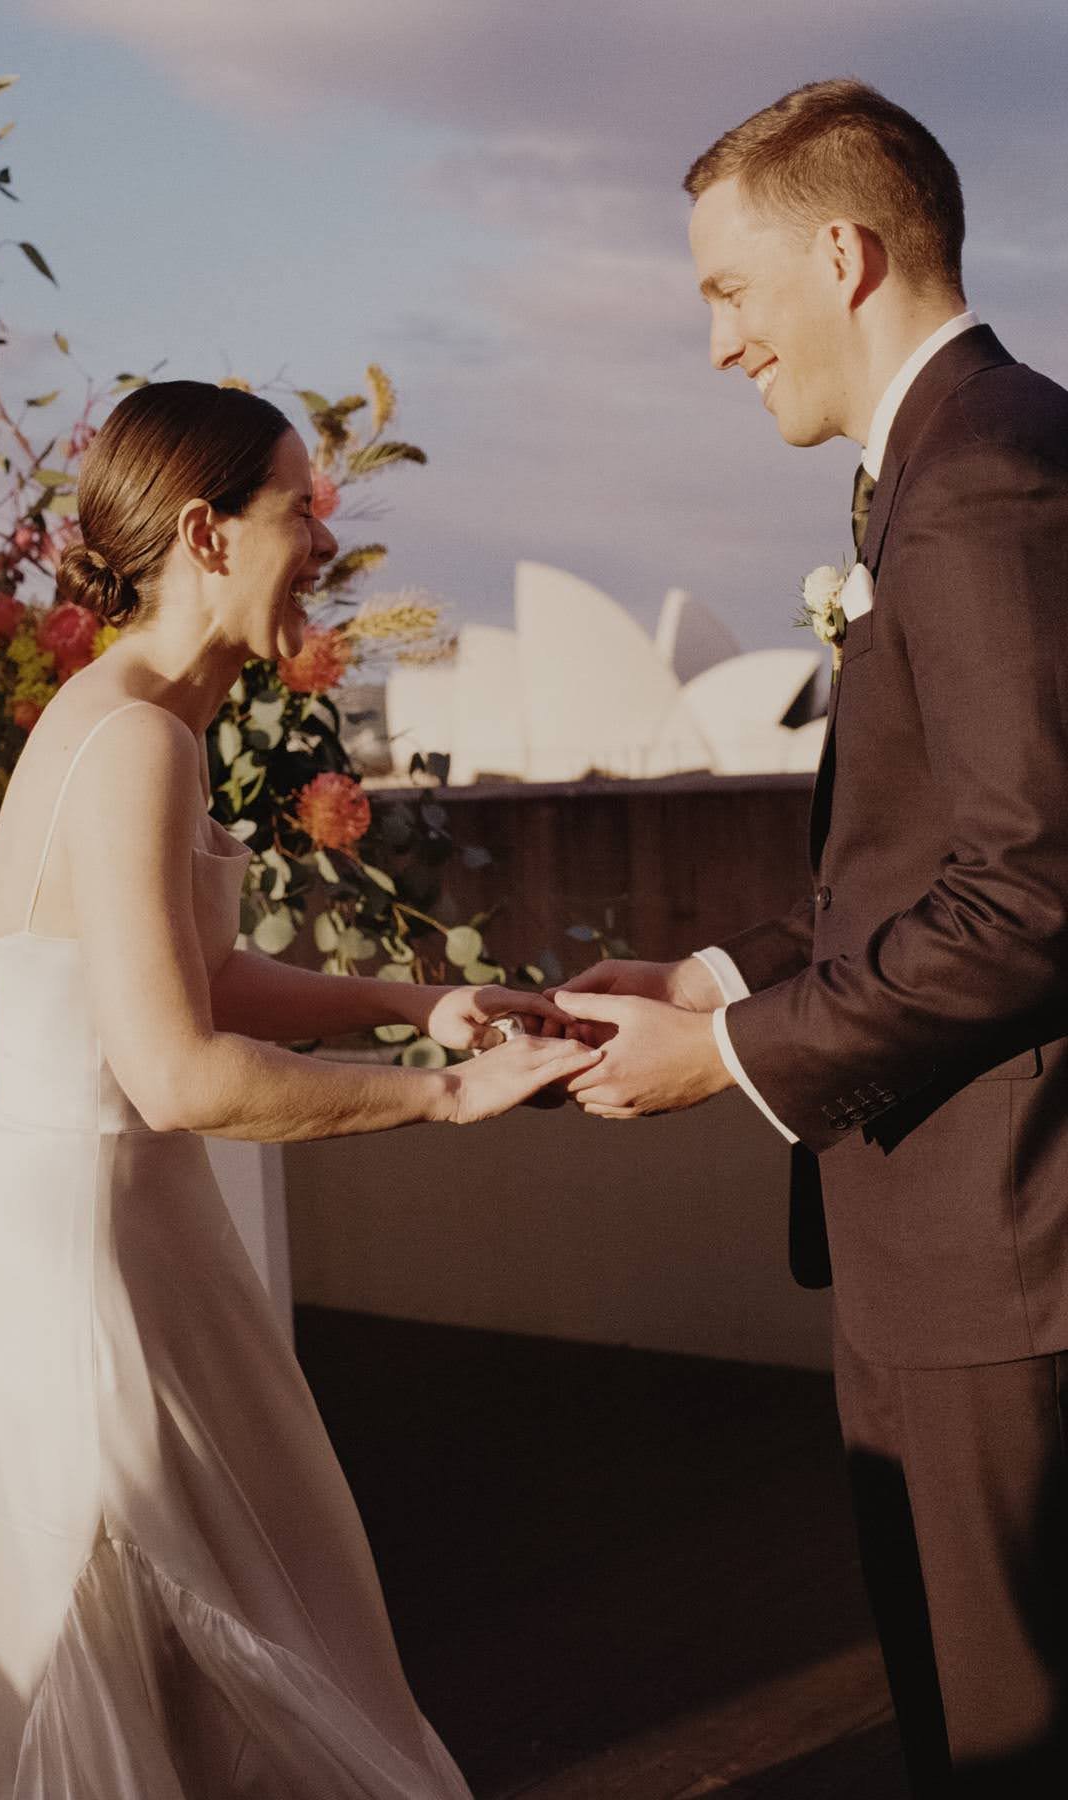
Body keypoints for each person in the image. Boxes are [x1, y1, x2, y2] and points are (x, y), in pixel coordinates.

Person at [0, 379, 602, 1799]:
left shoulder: (128, 721)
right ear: (206, 534)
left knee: (262, 1655)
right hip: (86, 1292)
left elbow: (193, 981)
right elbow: (174, 1073)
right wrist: (448, 1099)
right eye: (302, 516)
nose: (324, 552)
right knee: (195, 1683)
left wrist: (422, 1008)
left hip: (118, 1255)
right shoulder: (135, 743)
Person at [553, 79, 1068, 1795]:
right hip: (935, 1243)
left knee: (1011, 1738)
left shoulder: (984, 483)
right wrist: (708, 975)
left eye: (728, 291)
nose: (718, 345)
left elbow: (1031, 898)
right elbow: (918, 867)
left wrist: (727, 1058)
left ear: (841, 255)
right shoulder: (948, 464)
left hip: (1005, 1258)